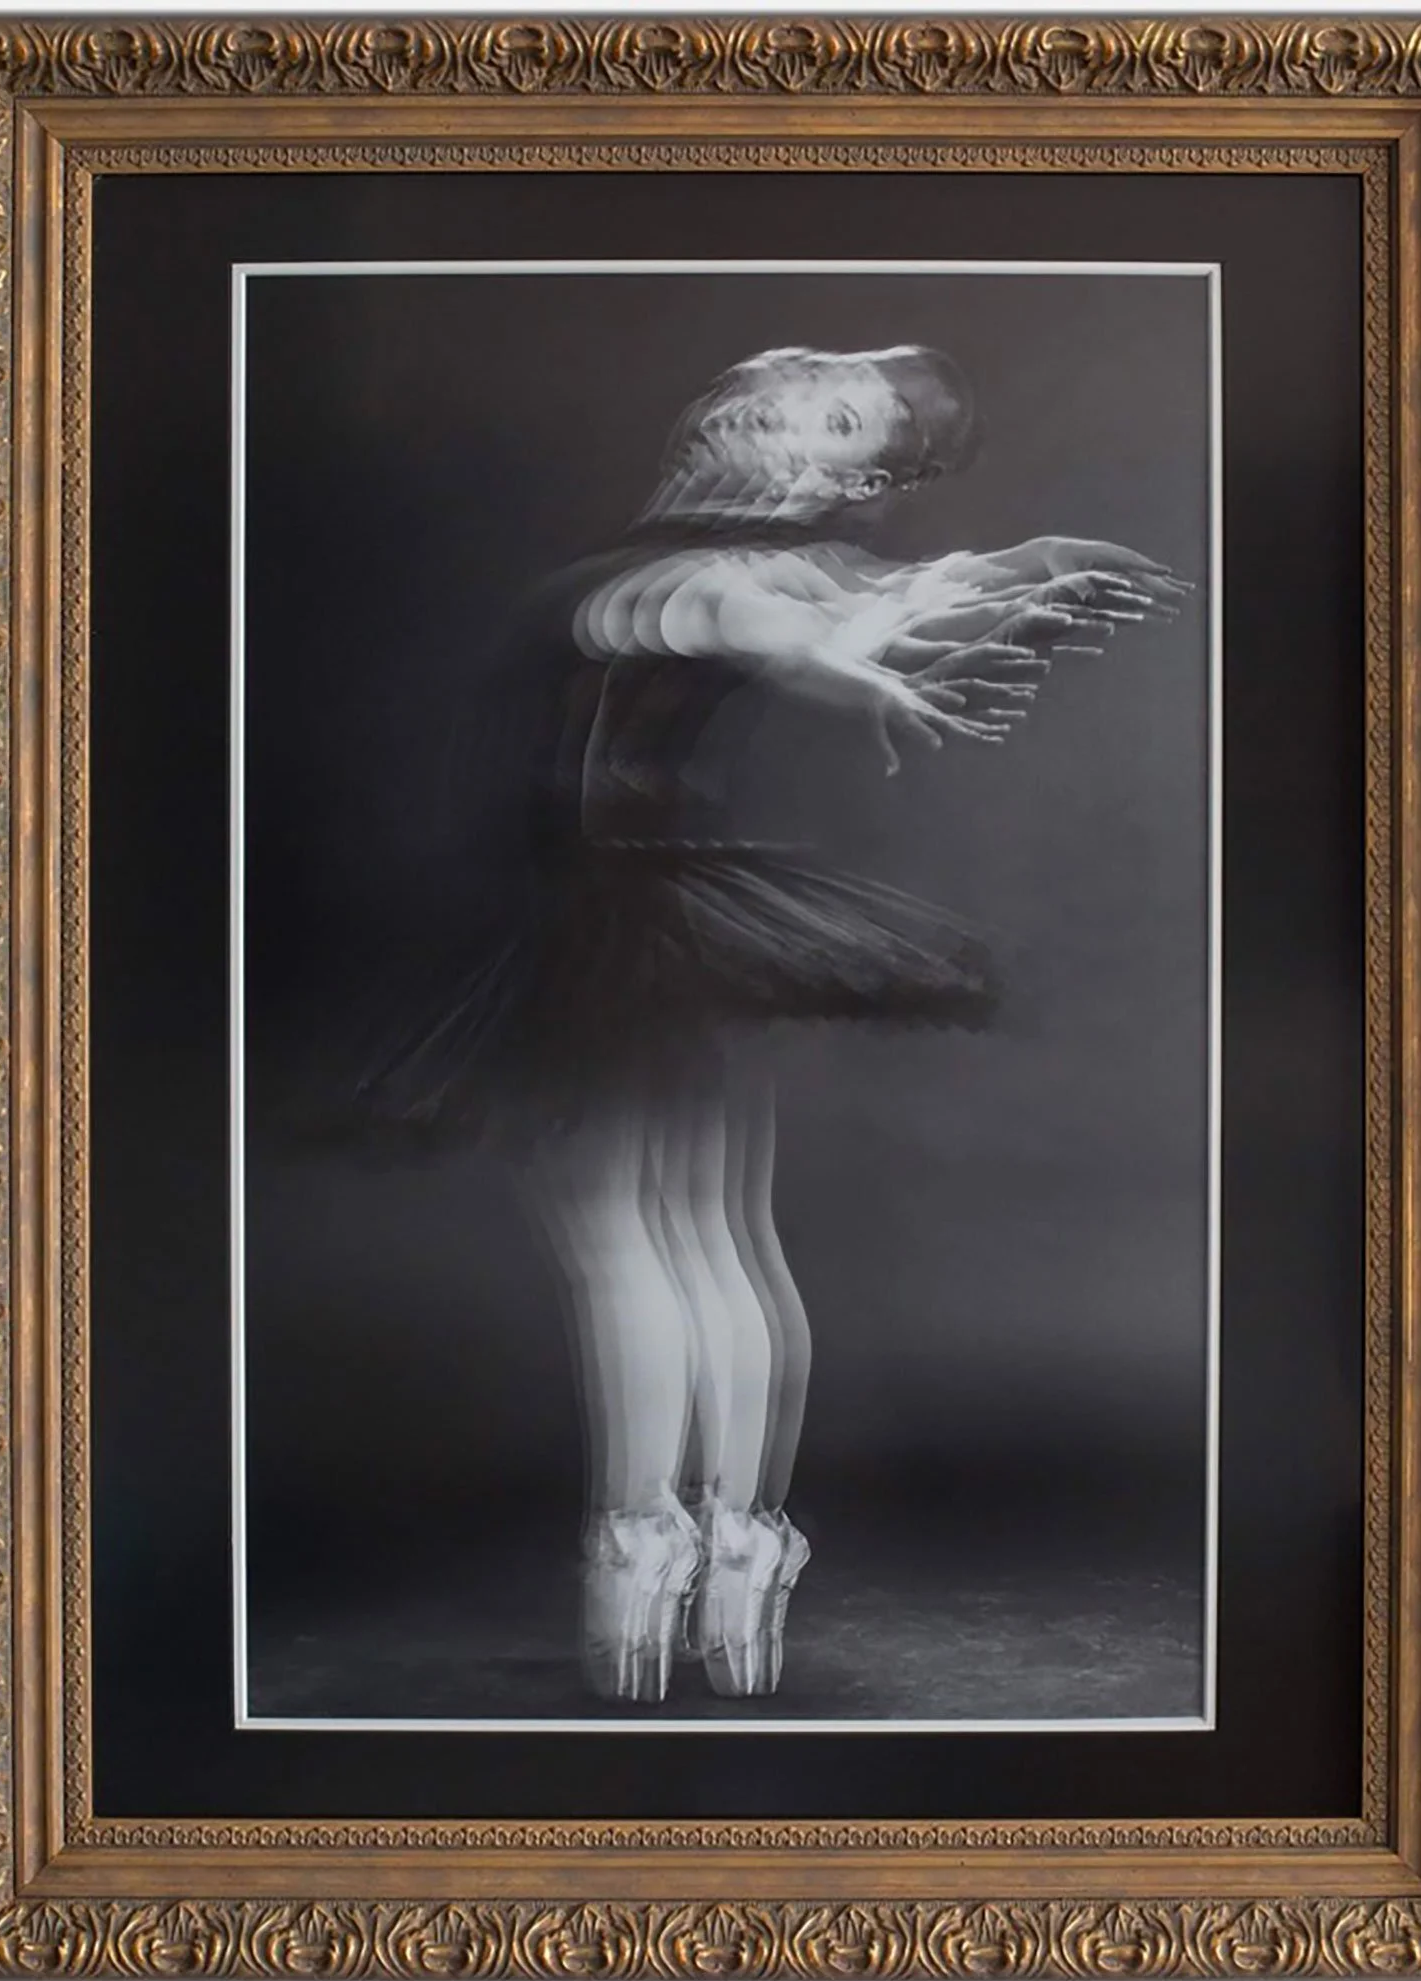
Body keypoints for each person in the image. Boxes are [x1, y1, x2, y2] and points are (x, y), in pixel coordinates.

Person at [359, 343, 1190, 1702]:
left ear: (845, 473)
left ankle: (647, 1549)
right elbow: (840, 609)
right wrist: (990, 583)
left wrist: (878, 656)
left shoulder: (728, 577)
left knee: (639, 1241)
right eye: (803, 380)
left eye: (838, 411)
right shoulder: (756, 569)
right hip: (670, 918)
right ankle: (736, 1551)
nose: (789, 394)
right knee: (704, 1235)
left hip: (617, 922)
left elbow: (763, 623)